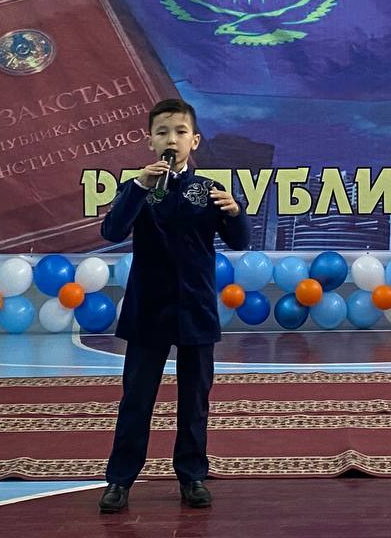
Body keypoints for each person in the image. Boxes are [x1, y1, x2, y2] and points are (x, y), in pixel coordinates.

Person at [97, 98, 250, 514]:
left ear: (194, 141)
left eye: (180, 132)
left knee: (195, 399)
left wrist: (237, 213)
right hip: (148, 308)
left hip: (195, 307)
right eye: (162, 132)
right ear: (150, 140)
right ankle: (120, 480)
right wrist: (139, 188)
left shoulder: (209, 189)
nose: (172, 139)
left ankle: (192, 476)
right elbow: (112, 231)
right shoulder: (138, 188)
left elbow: (240, 241)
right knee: (136, 399)